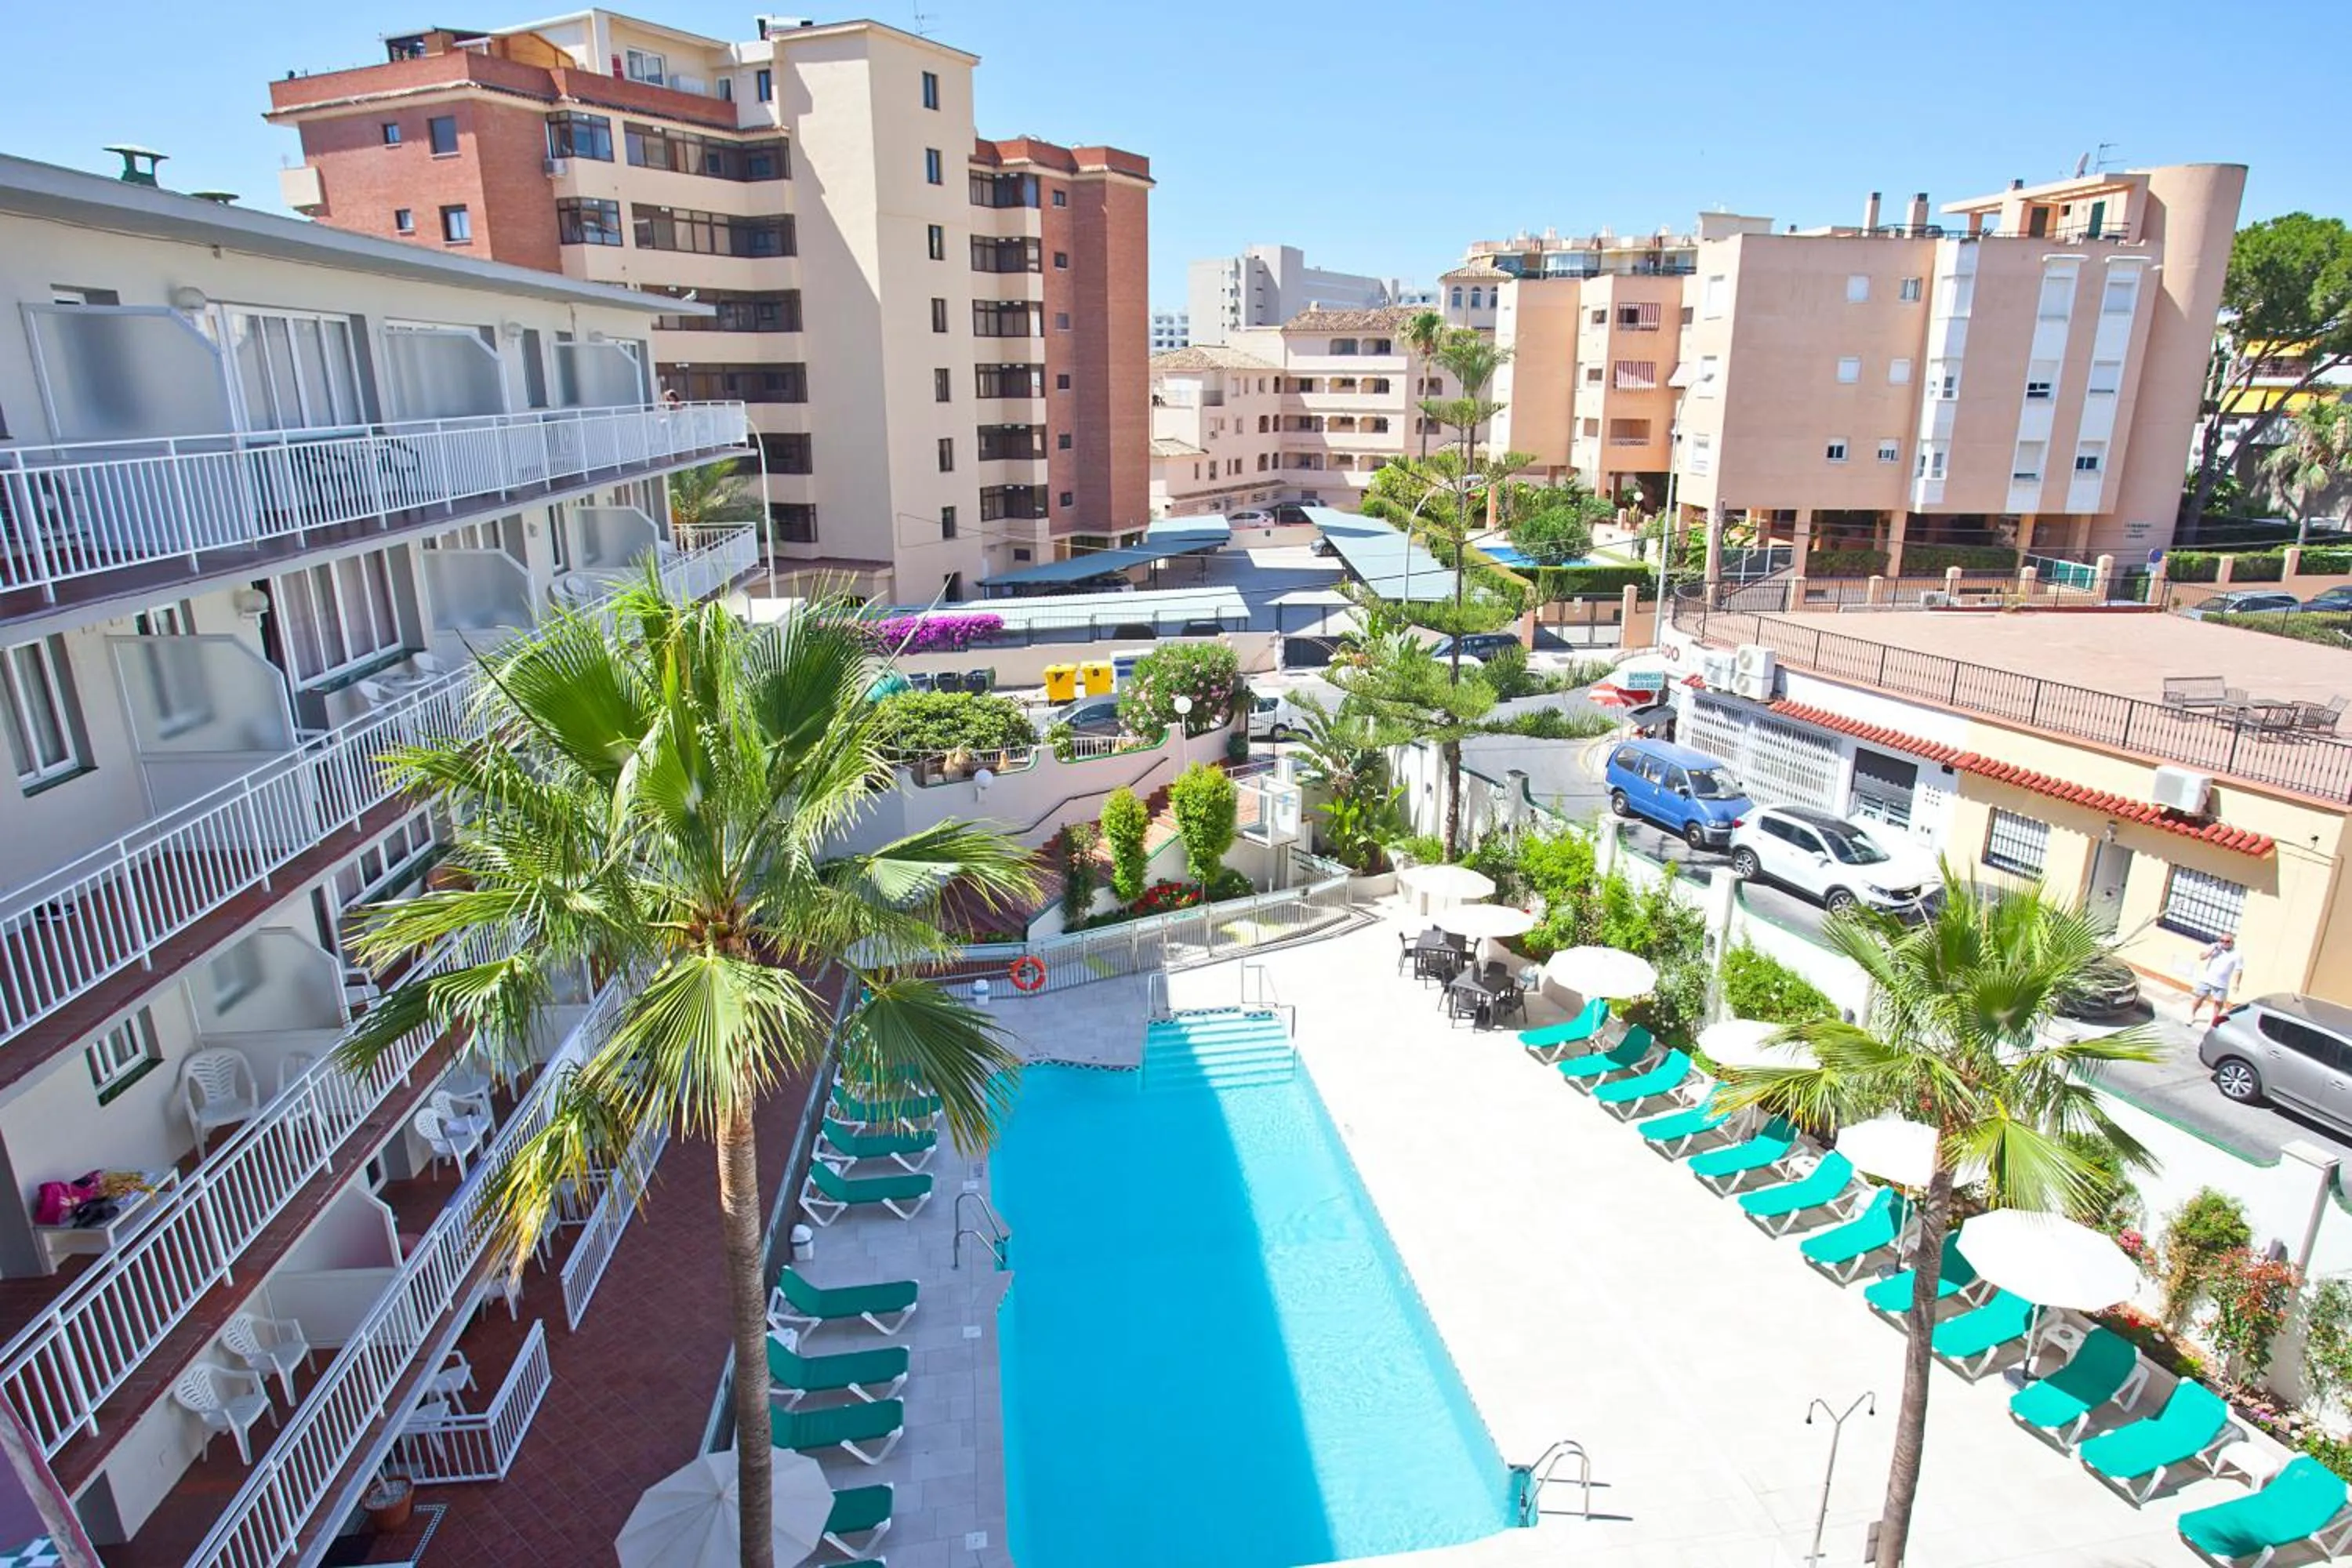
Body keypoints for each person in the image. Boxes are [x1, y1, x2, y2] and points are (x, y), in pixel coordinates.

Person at [2191, 933, 2243, 1026]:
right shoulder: (2214, 947)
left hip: (2222, 983)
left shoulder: (2237, 954)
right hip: (2206, 979)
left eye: (2227, 942)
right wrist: (2211, 951)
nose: (2224, 943)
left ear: (2232, 943)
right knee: (2199, 998)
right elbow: (2201, 957)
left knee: (2218, 1003)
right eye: (2222, 941)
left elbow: (2238, 970)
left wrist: (2236, 984)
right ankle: (2192, 1015)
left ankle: (2214, 1021)